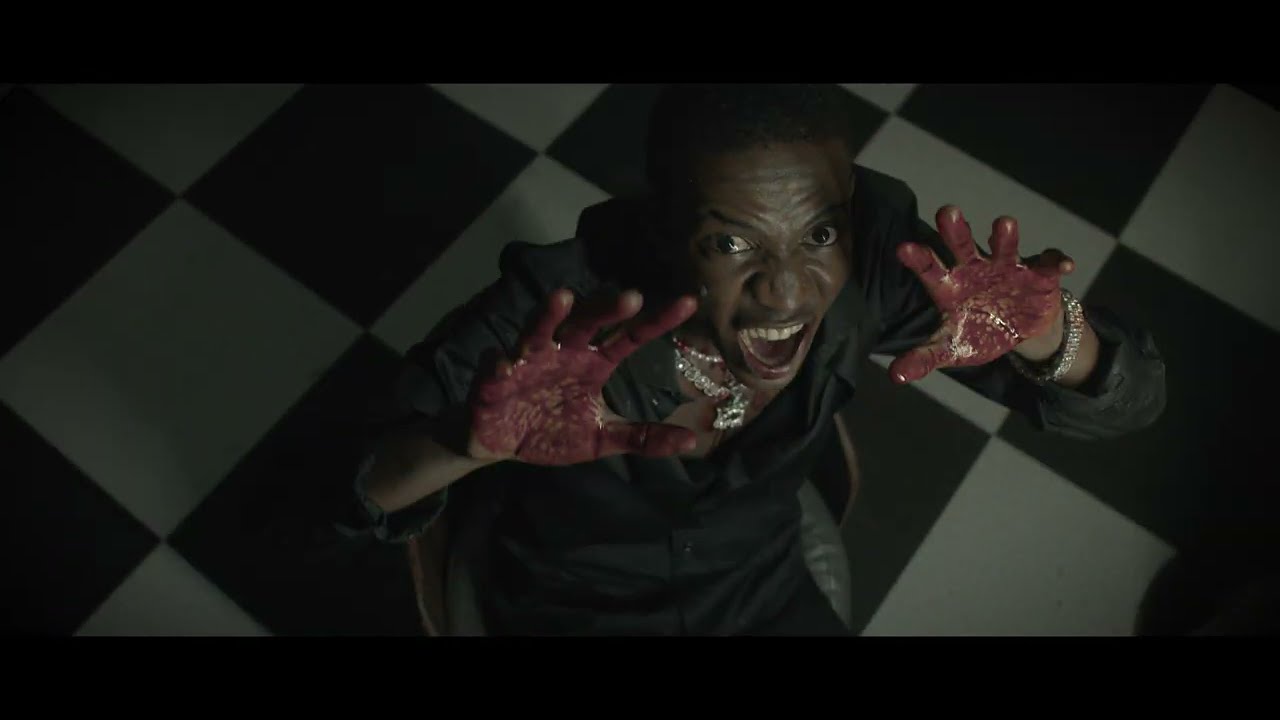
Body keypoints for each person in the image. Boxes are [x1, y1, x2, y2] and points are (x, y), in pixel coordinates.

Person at [341, 84, 1167, 636]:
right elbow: (344, 496)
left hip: (760, 586)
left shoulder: (880, 260)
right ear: (662, 230)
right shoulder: (555, 313)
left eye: (818, 233)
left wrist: (1050, 335)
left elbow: (1133, 408)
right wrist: (463, 445)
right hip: (576, 607)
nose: (786, 291)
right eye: (731, 242)